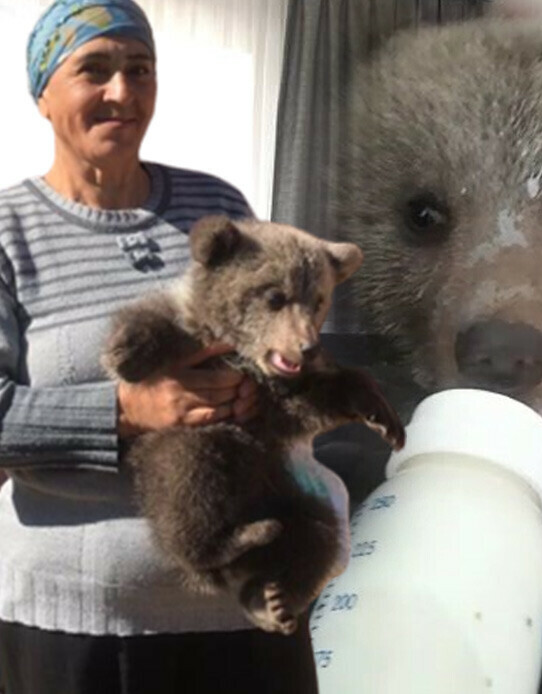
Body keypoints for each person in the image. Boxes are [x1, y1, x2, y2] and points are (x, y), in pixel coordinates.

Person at [0, 2, 319, 692]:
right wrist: (128, 410)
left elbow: (283, 343)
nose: (122, 92)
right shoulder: (8, 230)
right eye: (95, 70)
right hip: (76, 635)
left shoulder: (216, 205)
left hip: (246, 620)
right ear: (43, 94)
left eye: (139, 70)